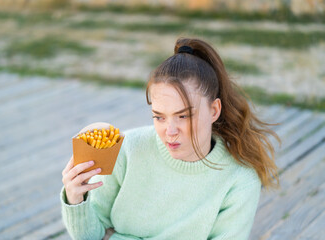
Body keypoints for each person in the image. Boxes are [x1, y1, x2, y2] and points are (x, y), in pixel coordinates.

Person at [60, 37, 279, 240]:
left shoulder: (239, 180)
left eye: (183, 116)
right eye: (159, 117)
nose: (170, 131)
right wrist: (75, 200)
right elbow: (92, 235)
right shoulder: (128, 148)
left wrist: (116, 237)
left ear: (214, 110)